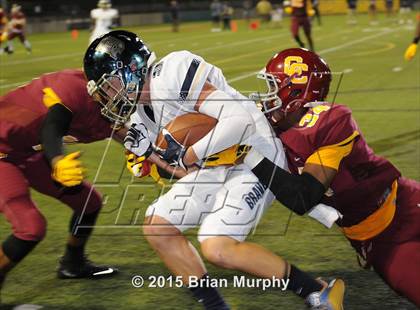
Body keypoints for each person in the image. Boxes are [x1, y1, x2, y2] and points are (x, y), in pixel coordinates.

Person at [83, 30, 345, 310]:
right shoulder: (140, 114)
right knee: (158, 227)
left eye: (109, 85)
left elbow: (239, 121)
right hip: (216, 163)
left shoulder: (170, 73)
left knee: (217, 246)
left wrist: (187, 153)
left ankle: (317, 291)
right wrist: (152, 155)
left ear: (131, 68)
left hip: (254, 153)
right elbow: (183, 168)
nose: (109, 96)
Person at [243, 48, 420, 307]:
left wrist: (247, 155)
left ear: (296, 92)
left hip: (407, 206)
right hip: (376, 239)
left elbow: (303, 197)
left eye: (273, 86)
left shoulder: (329, 121)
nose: (267, 96)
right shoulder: (268, 128)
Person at [0, 69, 128, 302]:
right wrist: (57, 161)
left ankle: (72, 264)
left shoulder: (104, 104)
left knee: (89, 202)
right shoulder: (72, 87)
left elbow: (127, 135)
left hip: (27, 149)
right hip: (3, 147)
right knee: (30, 227)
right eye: (117, 82)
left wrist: (176, 163)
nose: (126, 90)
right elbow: (53, 126)